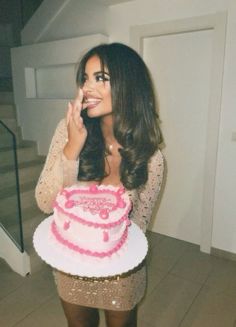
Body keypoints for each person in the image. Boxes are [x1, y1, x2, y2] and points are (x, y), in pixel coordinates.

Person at [35, 42, 164, 327]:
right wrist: (72, 148)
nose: (87, 88)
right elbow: (45, 201)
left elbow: (139, 226)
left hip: (120, 273)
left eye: (100, 78)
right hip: (72, 268)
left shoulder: (151, 157)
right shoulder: (69, 129)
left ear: (129, 84)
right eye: (84, 78)